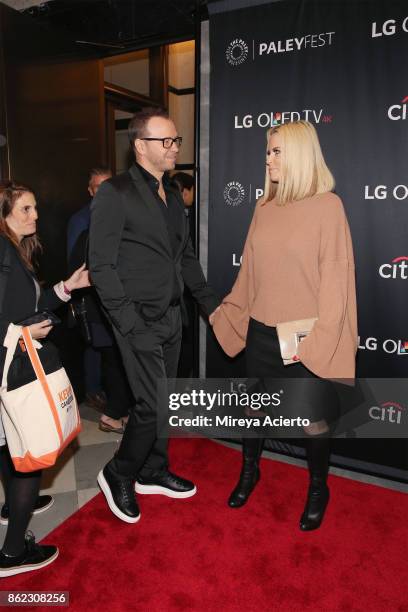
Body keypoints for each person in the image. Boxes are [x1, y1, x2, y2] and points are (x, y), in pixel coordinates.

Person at [211, 120, 357, 531]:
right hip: (261, 331)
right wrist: (232, 313)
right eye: (267, 151)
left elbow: (337, 281)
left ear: (299, 155)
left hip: (304, 337)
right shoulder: (263, 206)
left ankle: (317, 488)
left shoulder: (329, 207)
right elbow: (250, 273)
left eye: (276, 151)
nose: (268, 158)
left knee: (312, 420)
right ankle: (249, 471)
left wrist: (323, 340)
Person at [89, 107, 220, 523]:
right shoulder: (116, 192)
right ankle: (119, 471)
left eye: (176, 140)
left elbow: (184, 257)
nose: (175, 148)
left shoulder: (172, 196)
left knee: (168, 400)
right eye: (166, 141)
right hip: (136, 319)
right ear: (140, 146)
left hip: (171, 315)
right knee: (150, 403)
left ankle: (152, 468)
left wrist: (209, 305)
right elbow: (101, 267)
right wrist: (127, 322)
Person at [0, 181, 89, 576]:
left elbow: (30, 306)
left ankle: (12, 508)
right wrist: (18, 334)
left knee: (10, 440)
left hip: (13, 363)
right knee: (29, 451)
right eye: (25, 210)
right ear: (4, 214)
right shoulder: (2, 252)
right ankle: (12, 552)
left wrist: (69, 287)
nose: (35, 216)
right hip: (9, 366)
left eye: (35, 208)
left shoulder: (15, 250)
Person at [67, 167, 132, 433]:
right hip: (96, 304)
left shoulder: (119, 215)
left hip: (118, 304)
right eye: (98, 187)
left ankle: (117, 408)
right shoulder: (83, 222)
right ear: (90, 190)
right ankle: (111, 410)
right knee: (110, 358)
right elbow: (77, 268)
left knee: (115, 358)